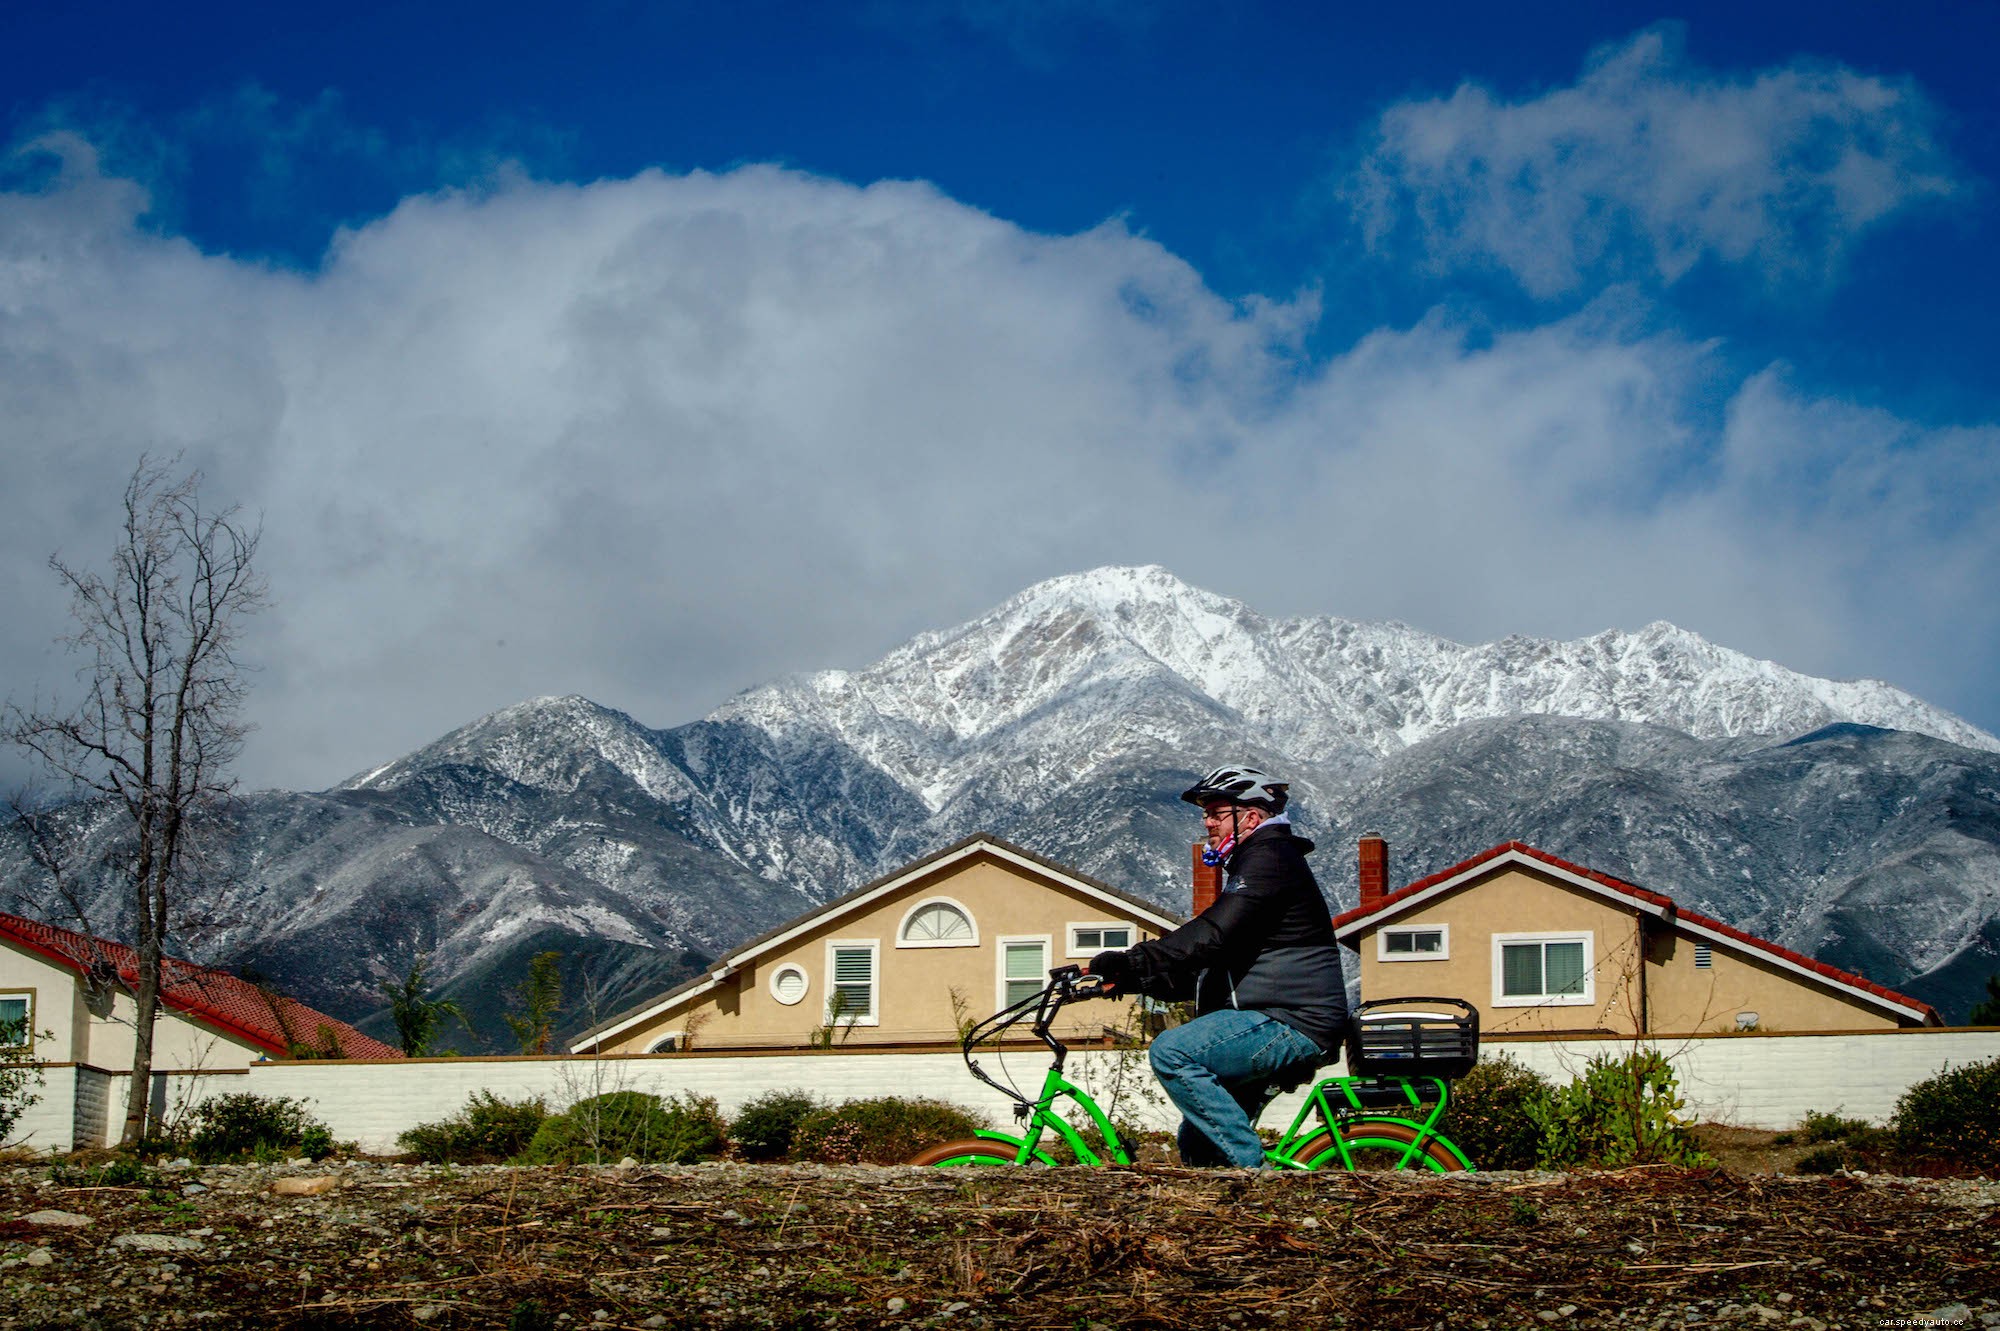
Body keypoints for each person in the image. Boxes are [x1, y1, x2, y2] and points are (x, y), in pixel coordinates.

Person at [1086, 765, 1348, 1168]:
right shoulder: (1257, 862)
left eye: (1216, 812)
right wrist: (1132, 978)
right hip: (1272, 1016)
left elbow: (1211, 935)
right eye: (1205, 814)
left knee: (1172, 1052)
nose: (1206, 822)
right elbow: (1209, 966)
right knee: (1200, 1144)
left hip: (1291, 1020)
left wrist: (1132, 958)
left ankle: (1255, 1177)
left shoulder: (1271, 858)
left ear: (1252, 817)